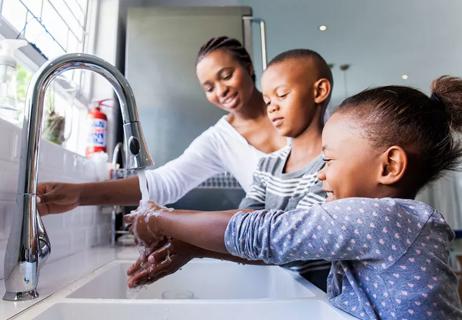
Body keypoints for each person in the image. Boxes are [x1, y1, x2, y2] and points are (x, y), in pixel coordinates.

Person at [126, 76, 462, 319]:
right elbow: (284, 248)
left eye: (328, 160)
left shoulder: (383, 218)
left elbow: (265, 234)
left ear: (389, 165)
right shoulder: (388, 222)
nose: (321, 173)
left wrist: (157, 217)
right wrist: (194, 247)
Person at [127, 49, 334, 290]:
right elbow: (244, 230)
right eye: (268, 101)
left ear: (319, 91)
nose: (272, 108)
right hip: (290, 292)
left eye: (282, 95)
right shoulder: (268, 166)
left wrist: (162, 219)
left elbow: (283, 238)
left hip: (326, 302)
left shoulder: (333, 166)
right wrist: (191, 247)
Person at [37, 36, 286, 214]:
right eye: (209, 88)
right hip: (291, 258)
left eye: (227, 75)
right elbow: (165, 182)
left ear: (249, 68)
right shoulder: (219, 140)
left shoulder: (291, 104)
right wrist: (80, 194)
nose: (221, 91)